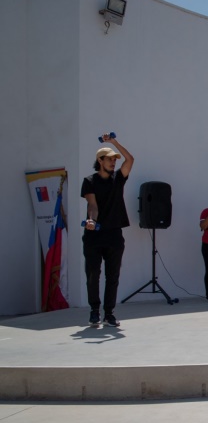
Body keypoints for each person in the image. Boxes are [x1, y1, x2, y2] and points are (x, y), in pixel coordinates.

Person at [81, 134, 135, 327]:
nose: (113, 162)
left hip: (114, 235)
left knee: (113, 276)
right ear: (100, 161)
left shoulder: (118, 179)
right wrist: (91, 221)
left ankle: (109, 313)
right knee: (93, 274)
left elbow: (130, 160)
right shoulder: (89, 181)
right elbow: (92, 205)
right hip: (94, 236)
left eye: (114, 159)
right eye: (110, 159)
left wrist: (113, 143)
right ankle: (94, 311)